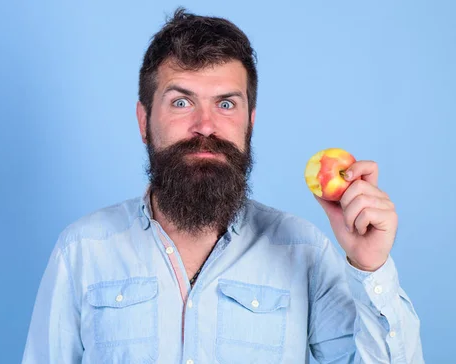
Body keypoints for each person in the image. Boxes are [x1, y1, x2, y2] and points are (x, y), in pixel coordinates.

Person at [22, 7, 424, 364]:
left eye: (226, 104)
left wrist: (370, 267)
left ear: (250, 122)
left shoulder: (304, 251)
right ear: (144, 122)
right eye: (181, 102)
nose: (206, 126)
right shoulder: (82, 252)